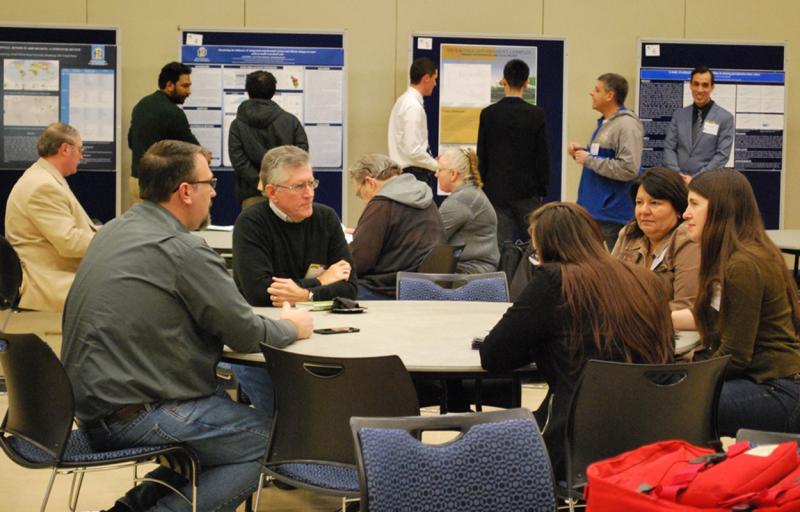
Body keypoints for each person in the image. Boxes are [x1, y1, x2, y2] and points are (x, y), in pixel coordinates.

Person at [61, 140, 313, 512]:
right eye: (209, 183)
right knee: (273, 442)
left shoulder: (114, 231)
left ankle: (130, 508)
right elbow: (245, 333)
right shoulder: (183, 250)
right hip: (139, 413)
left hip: (91, 406)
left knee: (218, 432)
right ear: (185, 192)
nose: (214, 192)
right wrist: (293, 326)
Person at [480, 202, 672, 478]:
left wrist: (540, 340)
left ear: (549, 248)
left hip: (578, 440)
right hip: (654, 436)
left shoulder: (555, 280)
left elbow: (493, 355)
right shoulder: (647, 281)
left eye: (536, 252)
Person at [673, 169, 800, 436]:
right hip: (758, 382)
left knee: (670, 403)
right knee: (666, 385)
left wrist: (685, 376)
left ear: (721, 208)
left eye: (694, 204)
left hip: (775, 388)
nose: (685, 214)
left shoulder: (742, 264)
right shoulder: (734, 257)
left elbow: (735, 356)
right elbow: (709, 319)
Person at [232, 145, 356, 415]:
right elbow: (260, 293)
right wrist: (321, 282)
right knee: (287, 419)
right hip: (267, 340)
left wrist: (304, 295)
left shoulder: (326, 218)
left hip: (323, 334)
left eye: (312, 182)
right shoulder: (251, 224)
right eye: (299, 186)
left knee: (341, 406)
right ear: (272, 192)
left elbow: (350, 287)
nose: (309, 193)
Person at [4, 122, 96, 312]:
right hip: (46, 278)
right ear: (65, 149)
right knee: (119, 294)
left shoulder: (44, 177)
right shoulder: (42, 186)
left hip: (53, 269)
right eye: (80, 149)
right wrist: (112, 240)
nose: (82, 155)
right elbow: (69, 243)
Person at [349, 154, 444, 299]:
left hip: (387, 289)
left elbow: (359, 262)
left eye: (359, 194)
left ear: (369, 183)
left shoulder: (381, 204)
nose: (363, 200)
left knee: (333, 291)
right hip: (427, 287)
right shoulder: (426, 198)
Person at [477, 58, 550, 243]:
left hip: (496, 190)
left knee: (501, 245)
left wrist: (482, 184)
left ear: (503, 80)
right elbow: (542, 157)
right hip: (527, 190)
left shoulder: (489, 114)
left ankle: (503, 273)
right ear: (526, 83)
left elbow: (482, 154)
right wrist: (542, 188)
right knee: (533, 244)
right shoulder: (537, 114)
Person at [568, 73, 643, 249]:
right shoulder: (606, 123)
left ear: (610, 95)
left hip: (612, 216)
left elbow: (628, 169)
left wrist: (589, 160)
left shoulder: (627, 125)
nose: (591, 93)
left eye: (597, 90)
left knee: (610, 269)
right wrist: (582, 152)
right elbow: (601, 156)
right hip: (595, 212)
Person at [612, 167, 700, 311]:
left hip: (669, 328)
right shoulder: (630, 233)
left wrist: (632, 313)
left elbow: (686, 306)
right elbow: (608, 285)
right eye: (639, 202)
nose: (644, 211)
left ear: (678, 208)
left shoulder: (687, 238)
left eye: (654, 203)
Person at [228, 70, 309, 209]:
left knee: (253, 230)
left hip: (252, 194)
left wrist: (262, 183)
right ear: (273, 91)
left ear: (248, 91)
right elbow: (301, 153)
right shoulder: (290, 121)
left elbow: (238, 160)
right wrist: (281, 181)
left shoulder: (237, 125)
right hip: (286, 192)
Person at [128, 62, 199, 201]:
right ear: (169, 85)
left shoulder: (141, 105)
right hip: (158, 186)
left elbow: (131, 142)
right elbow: (195, 151)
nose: (189, 91)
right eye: (185, 86)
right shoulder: (173, 112)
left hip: (136, 181)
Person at [663, 65, 734, 180]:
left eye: (705, 85)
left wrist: (697, 179)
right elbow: (669, 148)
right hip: (678, 183)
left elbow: (722, 156)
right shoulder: (679, 115)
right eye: (696, 84)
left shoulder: (725, 118)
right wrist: (678, 175)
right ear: (690, 85)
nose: (700, 90)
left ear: (712, 87)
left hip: (706, 184)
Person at [436, 147, 499, 274]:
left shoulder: (460, 200)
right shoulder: (471, 193)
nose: (436, 174)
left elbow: (431, 239)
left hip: (469, 273)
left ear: (453, 174)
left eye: (440, 170)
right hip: (479, 270)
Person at [387, 57, 439, 185]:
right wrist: (436, 165)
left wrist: (429, 160)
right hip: (413, 176)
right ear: (426, 78)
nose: (435, 84)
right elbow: (413, 150)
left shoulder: (403, 101)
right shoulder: (413, 106)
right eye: (434, 79)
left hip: (406, 173)